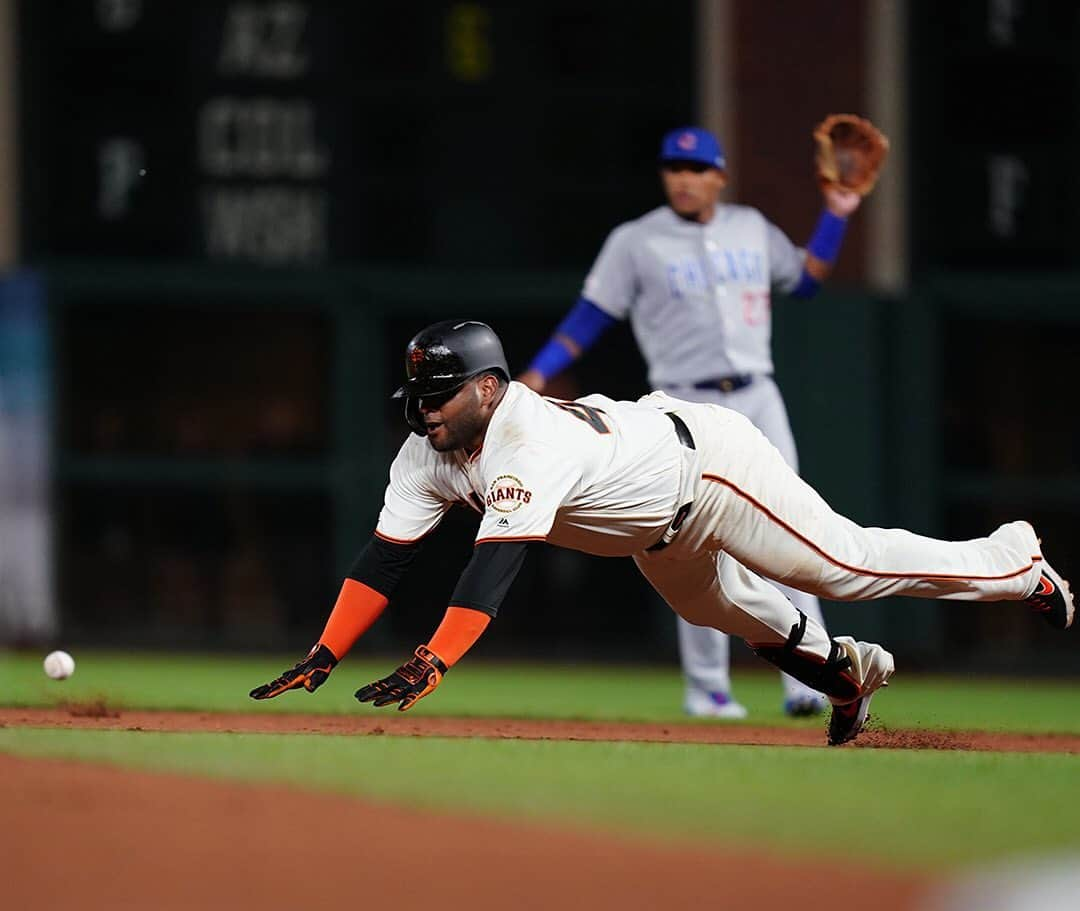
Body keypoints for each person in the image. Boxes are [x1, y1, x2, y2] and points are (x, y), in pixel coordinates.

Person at [250, 320, 1073, 746]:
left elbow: (493, 566)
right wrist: (327, 650)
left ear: (492, 387)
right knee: (728, 616)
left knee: (840, 566)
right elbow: (386, 559)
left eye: (442, 392)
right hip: (655, 531)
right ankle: (848, 675)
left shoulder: (526, 440)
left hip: (708, 471)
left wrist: (435, 658)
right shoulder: (428, 448)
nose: (425, 408)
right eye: (419, 394)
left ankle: (1013, 561)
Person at [519, 125, 866, 720]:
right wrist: (540, 374)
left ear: (719, 177)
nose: (683, 178)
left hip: (757, 396)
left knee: (797, 531)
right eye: (674, 169)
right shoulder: (635, 241)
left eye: (697, 168)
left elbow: (806, 281)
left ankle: (808, 679)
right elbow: (589, 316)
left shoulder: (751, 228)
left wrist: (836, 213)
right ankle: (708, 688)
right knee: (690, 543)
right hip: (683, 408)